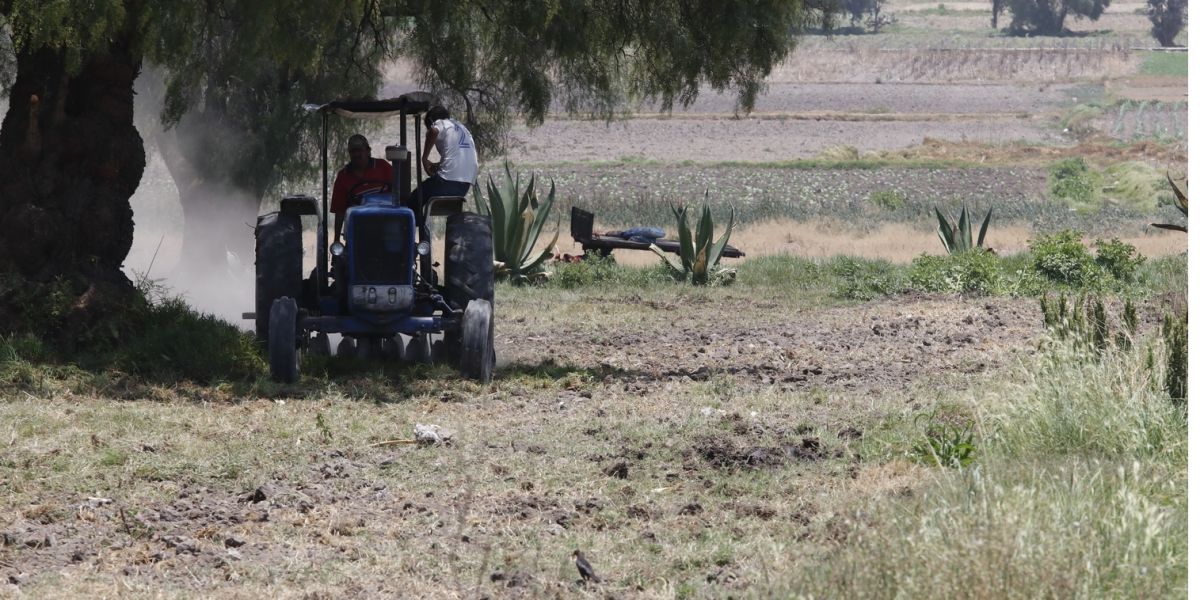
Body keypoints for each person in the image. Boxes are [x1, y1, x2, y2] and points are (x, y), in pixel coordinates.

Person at [412, 105, 478, 215]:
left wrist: (424, 158)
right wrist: (438, 165)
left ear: (432, 121)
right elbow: (457, 158)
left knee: (415, 198)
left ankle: (414, 228)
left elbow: (433, 131)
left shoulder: (441, 123)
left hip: (447, 182)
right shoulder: (461, 127)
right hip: (464, 186)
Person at [331, 134, 393, 240]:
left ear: (368, 151)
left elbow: (399, 192)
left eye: (359, 150)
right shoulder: (343, 176)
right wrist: (336, 240)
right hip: (358, 226)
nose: (356, 154)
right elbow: (339, 211)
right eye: (353, 151)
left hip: (385, 222)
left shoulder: (382, 166)